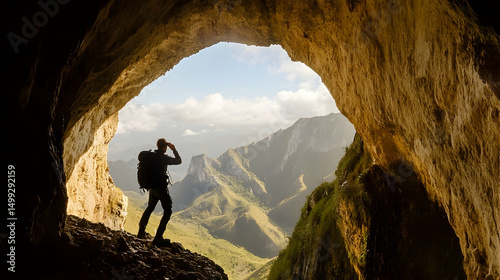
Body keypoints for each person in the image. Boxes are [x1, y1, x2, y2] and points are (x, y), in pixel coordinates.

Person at [137, 138, 182, 246]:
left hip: (152, 188)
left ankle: (140, 233)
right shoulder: (164, 158)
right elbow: (179, 161)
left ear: (157, 146)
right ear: (165, 147)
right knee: (168, 211)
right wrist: (174, 149)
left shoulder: (151, 156)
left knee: (150, 208)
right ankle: (158, 238)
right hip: (161, 189)